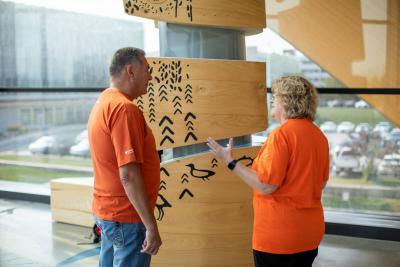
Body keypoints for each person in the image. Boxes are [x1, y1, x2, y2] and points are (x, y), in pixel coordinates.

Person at [207, 76, 329, 267]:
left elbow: (266, 185)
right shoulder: (318, 135)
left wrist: (230, 161)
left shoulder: (282, 135)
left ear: (288, 101)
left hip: (279, 237)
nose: (272, 99)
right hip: (310, 234)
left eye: (276, 96)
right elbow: (320, 183)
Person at [88, 47, 162, 267]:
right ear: (130, 71)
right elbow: (128, 175)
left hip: (110, 212)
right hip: (126, 217)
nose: (150, 76)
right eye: (147, 69)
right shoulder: (124, 109)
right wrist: (150, 226)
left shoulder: (104, 101)